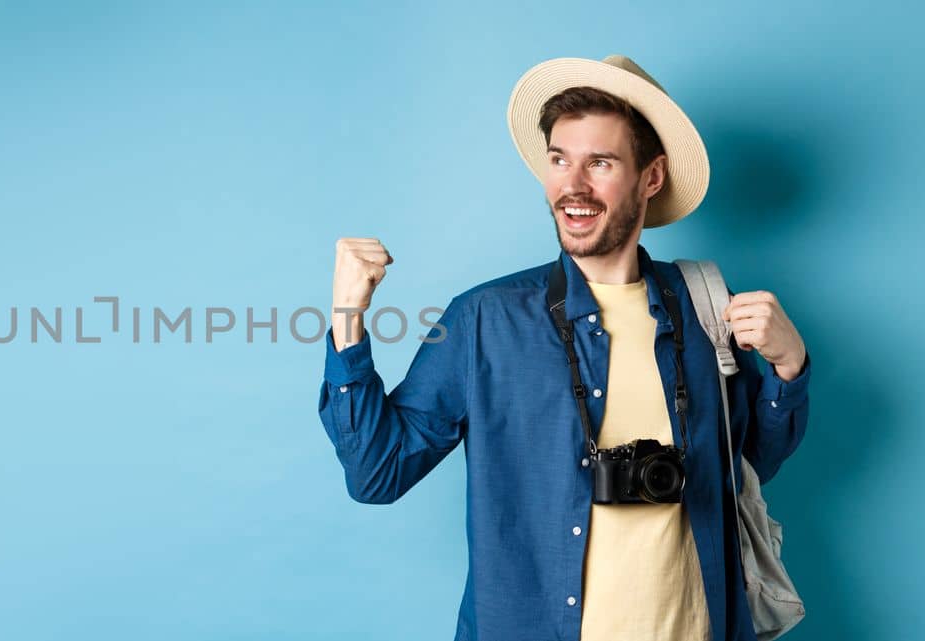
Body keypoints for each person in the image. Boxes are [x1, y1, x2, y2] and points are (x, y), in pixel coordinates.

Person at [317, 55, 810, 641]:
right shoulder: (486, 319)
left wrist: (787, 366)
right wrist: (348, 319)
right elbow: (377, 473)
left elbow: (749, 463)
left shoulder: (706, 304)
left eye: (599, 163)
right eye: (559, 160)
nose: (572, 187)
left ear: (650, 178)